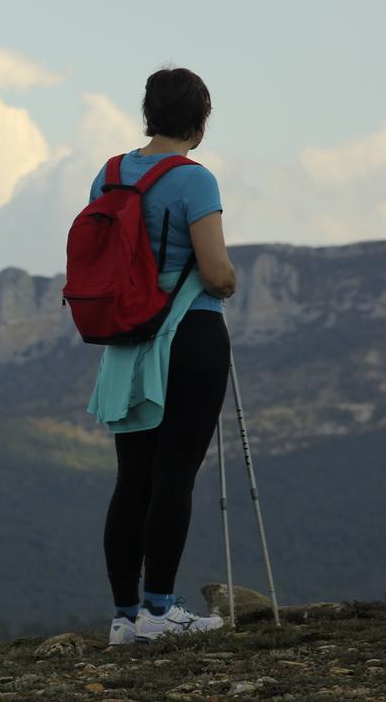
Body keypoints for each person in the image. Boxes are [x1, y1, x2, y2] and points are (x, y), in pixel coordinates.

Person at [85, 68, 236, 644]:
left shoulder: (111, 173)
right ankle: (161, 609)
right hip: (188, 335)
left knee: (132, 478)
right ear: (199, 122)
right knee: (175, 473)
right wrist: (230, 282)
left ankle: (125, 618)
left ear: (148, 113)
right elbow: (216, 272)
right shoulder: (195, 181)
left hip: (127, 340)